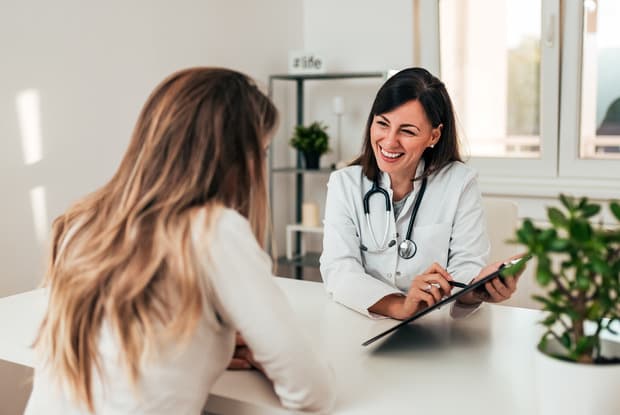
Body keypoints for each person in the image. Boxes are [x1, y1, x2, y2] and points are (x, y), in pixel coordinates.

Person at [25, 68, 335, 414]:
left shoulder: (81, 221)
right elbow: (310, 392)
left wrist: (208, 340)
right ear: (234, 157)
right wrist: (268, 358)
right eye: (261, 153)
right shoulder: (215, 230)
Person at [320, 67, 521, 320]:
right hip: (361, 323)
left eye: (407, 131)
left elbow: (466, 266)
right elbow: (339, 270)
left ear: (433, 135)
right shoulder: (345, 184)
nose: (390, 141)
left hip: (435, 328)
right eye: (382, 123)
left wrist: (478, 290)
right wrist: (401, 307)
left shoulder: (459, 182)